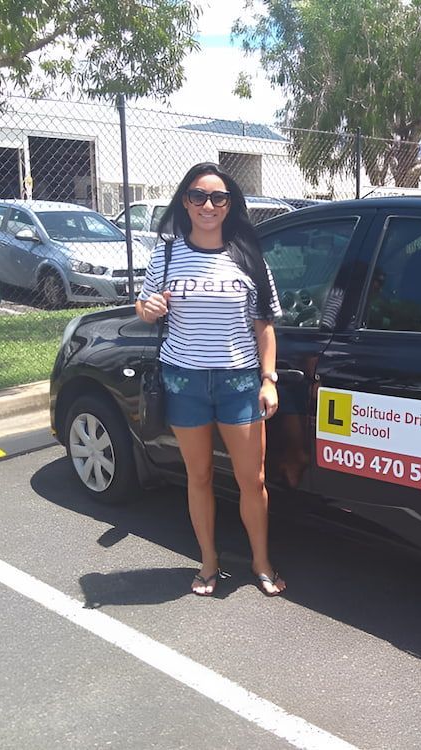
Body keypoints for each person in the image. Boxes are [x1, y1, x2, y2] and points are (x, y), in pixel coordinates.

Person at [135, 162, 286, 597]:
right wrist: (149, 310)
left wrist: (268, 379)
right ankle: (208, 562)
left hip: (239, 382)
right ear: (185, 201)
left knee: (251, 480)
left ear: (230, 205)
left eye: (218, 198)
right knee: (198, 477)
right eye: (199, 196)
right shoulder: (165, 254)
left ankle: (260, 561)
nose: (208, 205)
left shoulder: (248, 257)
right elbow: (144, 308)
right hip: (184, 382)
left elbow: (264, 326)